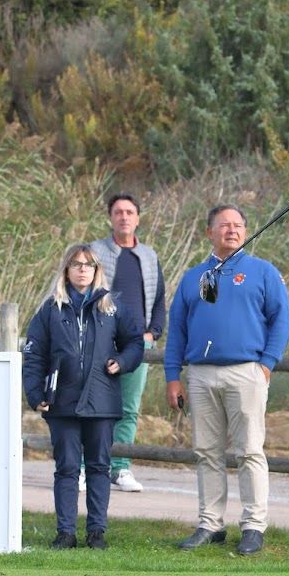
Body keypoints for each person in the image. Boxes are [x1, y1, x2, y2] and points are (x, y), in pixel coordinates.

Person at [165, 205, 289, 557]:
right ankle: (210, 523)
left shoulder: (263, 273)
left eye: (238, 226)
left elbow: (282, 321)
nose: (232, 231)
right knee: (206, 451)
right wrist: (172, 376)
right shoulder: (194, 278)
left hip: (246, 372)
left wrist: (266, 364)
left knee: (249, 450)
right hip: (201, 374)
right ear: (210, 232)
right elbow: (177, 329)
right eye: (224, 226)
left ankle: (253, 526)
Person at [22, 243, 144, 550]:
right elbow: (34, 355)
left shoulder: (112, 306)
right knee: (66, 467)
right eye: (76, 264)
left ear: (96, 270)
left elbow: (135, 343)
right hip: (61, 402)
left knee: (99, 467)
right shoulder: (50, 309)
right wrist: (35, 393)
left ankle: (96, 531)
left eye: (88, 265)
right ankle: (65, 532)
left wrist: (123, 361)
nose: (82, 269)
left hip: (101, 401)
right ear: (66, 270)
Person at [89, 193, 167, 493]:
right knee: (94, 405)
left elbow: (159, 298)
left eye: (129, 212)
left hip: (138, 345)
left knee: (129, 408)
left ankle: (120, 468)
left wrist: (153, 332)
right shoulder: (95, 251)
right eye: (118, 212)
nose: (124, 217)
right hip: (99, 340)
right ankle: (86, 468)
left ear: (138, 218)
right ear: (110, 217)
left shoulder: (148, 255)